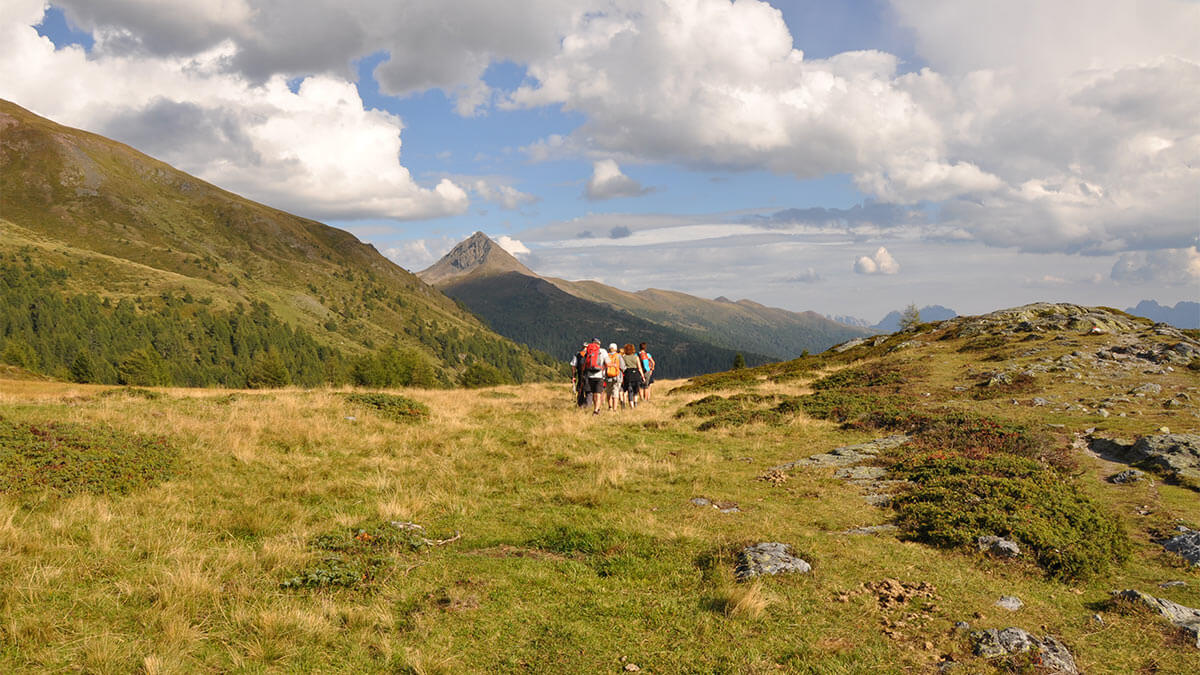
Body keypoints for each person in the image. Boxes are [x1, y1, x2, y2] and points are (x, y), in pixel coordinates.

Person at [575, 338, 607, 415]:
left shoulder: (588, 352)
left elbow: (583, 363)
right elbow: (607, 363)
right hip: (599, 375)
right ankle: (596, 410)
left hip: (589, 375)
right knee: (598, 393)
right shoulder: (603, 351)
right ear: (599, 344)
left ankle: (590, 407)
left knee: (590, 392)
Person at [620, 343, 645, 408]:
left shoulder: (624, 357)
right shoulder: (636, 357)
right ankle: (635, 403)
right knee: (635, 391)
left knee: (630, 390)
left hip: (628, 375)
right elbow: (639, 367)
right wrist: (642, 376)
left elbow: (622, 367)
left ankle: (632, 406)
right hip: (636, 374)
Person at [569, 342, 589, 407]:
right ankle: (588, 404)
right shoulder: (590, 354)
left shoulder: (577, 354)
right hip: (589, 374)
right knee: (588, 389)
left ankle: (580, 403)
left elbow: (573, 365)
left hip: (580, 374)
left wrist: (573, 376)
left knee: (580, 388)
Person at [604, 343, 622, 411]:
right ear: (616, 349)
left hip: (608, 376)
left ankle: (610, 407)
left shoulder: (606, 356)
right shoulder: (618, 356)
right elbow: (622, 366)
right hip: (616, 377)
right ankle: (615, 408)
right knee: (615, 392)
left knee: (608, 392)